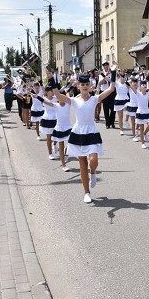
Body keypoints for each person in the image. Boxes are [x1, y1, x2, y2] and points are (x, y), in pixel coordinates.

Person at [53, 68, 116, 204]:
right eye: (82, 84)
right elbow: (58, 96)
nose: (85, 86)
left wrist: (114, 73)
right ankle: (87, 192)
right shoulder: (74, 100)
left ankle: (92, 172)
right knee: (82, 163)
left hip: (91, 130)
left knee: (93, 159)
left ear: (90, 86)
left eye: (87, 84)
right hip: (78, 131)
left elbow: (111, 89)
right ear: (78, 86)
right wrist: (53, 79)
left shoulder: (95, 99)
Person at [36, 86, 58, 160]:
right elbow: (47, 103)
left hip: (55, 118)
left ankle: (54, 144)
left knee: (56, 135)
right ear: (47, 91)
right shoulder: (44, 98)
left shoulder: (56, 98)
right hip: (47, 118)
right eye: (51, 91)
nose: (53, 92)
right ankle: (50, 153)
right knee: (49, 137)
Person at [133, 79, 149, 148]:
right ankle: (143, 143)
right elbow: (132, 88)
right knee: (141, 129)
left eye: (145, 85)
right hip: (140, 112)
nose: (144, 86)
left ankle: (145, 133)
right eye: (143, 85)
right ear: (140, 87)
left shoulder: (148, 93)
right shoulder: (138, 93)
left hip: (147, 111)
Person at [113, 71, 130, 135]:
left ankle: (126, 120)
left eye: (124, 76)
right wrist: (104, 75)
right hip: (118, 99)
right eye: (121, 76)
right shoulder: (117, 83)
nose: (122, 78)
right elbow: (109, 79)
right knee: (120, 116)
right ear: (119, 77)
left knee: (129, 112)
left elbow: (131, 88)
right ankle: (121, 130)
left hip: (126, 98)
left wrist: (126, 83)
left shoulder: (127, 83)